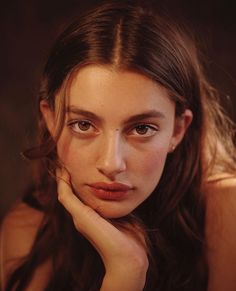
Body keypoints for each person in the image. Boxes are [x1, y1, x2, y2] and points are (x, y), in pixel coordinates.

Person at [1, 1, 236, 290]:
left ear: (177, 130)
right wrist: (125, 273)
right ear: (51, 120)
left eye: (141, 128)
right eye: (83, 125)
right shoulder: (30, 229)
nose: (112, 164)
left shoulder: (228, 210)